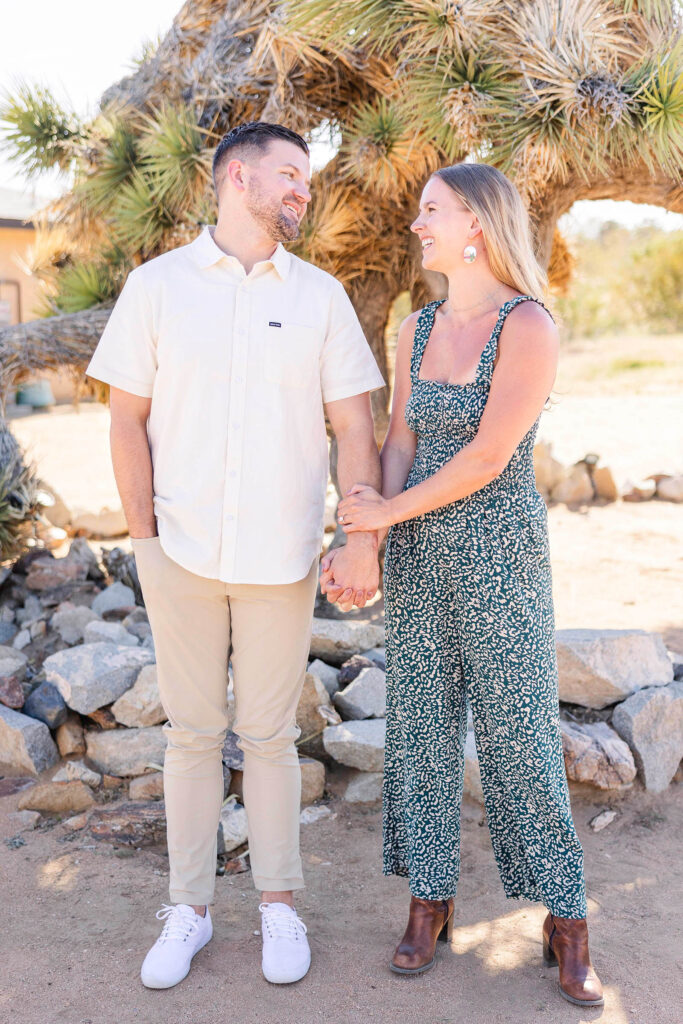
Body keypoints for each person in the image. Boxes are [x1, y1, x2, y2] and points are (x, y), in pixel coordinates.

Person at [86, 121, 384, 989]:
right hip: (175, 546)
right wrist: (141, 536)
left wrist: (354, 533)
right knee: (188, 735)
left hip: (280, 556)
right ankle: (188, 910)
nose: (302, 189)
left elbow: (353, 427)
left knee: (267, 736)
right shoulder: (155, 287)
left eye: (307, 178)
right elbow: (125, 418)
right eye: (289, 174)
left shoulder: (322, 296)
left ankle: (278, 910)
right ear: (236, 177)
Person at [324, 163, 604, 1008]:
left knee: (519, 735)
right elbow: (401, 438)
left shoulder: (527, 325)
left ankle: (565, 918)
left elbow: (486, 459)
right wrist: (372, 526)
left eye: (431, 211)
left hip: (499, 555)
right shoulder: (412, 329)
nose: (417, 224)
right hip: (418, 553)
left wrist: (378, 514)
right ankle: (429, 898)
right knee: (419, 729)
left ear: (477, 224)